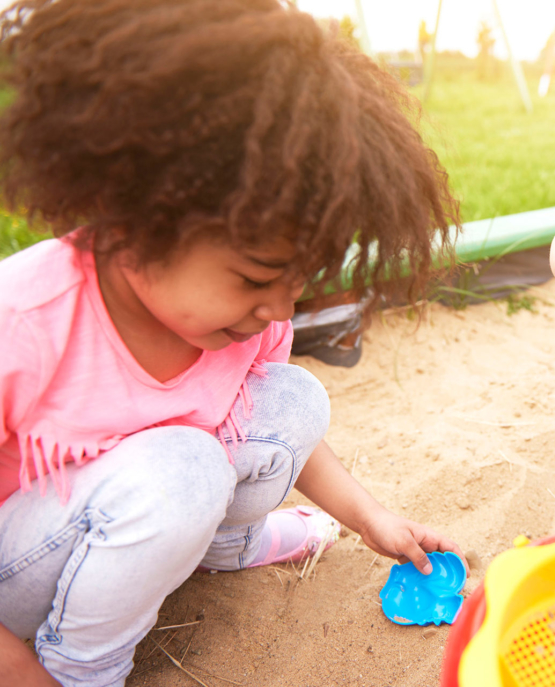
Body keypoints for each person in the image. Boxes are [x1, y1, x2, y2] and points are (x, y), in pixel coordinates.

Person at [0, 2, 464, 685]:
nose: (279, 308)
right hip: (24, 566)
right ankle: (83, 669)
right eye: (254, 278)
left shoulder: (248, 319)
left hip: (147, 509)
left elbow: (283, 437)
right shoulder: (27, 319)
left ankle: (225, 546)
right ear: (138, 214)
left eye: (298, 282)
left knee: (293, 398)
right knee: (185, 470)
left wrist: (373, 517)